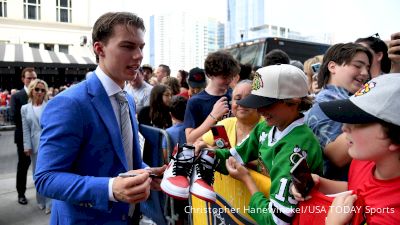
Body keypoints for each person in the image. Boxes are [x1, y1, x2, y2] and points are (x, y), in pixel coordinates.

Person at [35, 12, 165, 224]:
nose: (139, 55)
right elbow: (46, 178)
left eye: (141, 47)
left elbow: (122, 160)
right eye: (128, 46)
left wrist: (147, 173)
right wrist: (110, 189)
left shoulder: (127, 100)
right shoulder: (70, 103)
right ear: (99, 48)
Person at [193, 65, 323, 224]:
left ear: (293, 101)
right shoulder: (267, 127)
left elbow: (276, 221)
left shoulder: (298, 146)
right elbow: (234, 156)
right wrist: (207, 152)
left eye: (267, 103)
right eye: (257, 102)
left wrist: (247, 180)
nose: (259, 110)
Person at [293, 74, 400, 225]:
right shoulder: (365, 161)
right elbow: (356, 189)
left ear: (396, 138)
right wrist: (320, 183)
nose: (344, 128)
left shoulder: (393, 215)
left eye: (359, 122)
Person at [305, 43, 372, 181]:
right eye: (358, 66)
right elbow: (338, 156)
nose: (365, 73)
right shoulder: (323, 104)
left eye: (367, 67)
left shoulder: (354, 98)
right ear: (332, 67)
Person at [184, 51, 240, 144]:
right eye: (224, 77)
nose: (229, 80)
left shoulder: (234, 95)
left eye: (231, 76)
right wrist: (213, 116)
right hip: (207, 153)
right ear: (210, 74)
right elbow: (190, 139)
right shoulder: (195, 101)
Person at [200, 79, 262, 147]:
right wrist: (211, 149)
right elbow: (200, 142)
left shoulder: (269, 127)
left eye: (249, 98)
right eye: (238, 99)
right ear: (231, 103)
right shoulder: (224, 125)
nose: (242, 103)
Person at [21, 79, 52, 214]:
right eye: (37, 89)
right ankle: (41, 200)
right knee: (37, 175)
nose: (40, 92)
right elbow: (26, 128)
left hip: (49, 145)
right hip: (34, 146)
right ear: (32, 90)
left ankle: (50, 203)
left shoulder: (50, 105)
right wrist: (26, 145)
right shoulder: (25, 109)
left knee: (50, 174)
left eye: (42, 90)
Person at [10, 67, 37, 205]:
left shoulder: (41, 93)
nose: (32, 80)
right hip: (23, 138)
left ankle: (43, 194)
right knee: (23, 166)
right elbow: (15, 118)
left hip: (39, 137)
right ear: (23, 79)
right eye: (29, 78)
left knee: (40, 165)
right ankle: (21, 193)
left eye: (34, 78)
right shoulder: (16, 96)